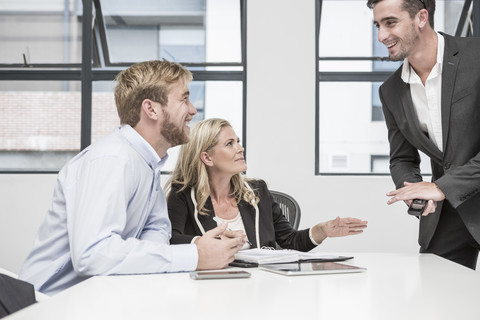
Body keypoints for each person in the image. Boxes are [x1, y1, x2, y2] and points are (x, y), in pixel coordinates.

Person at [18, 61, 245, 295]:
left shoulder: (146, 163)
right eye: (184, 99)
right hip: (47, 305)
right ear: (151, 109)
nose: (192, 110)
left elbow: (157, 229)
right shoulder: (112, 159)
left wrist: (197, 248)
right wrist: (195, 255)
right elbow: (92, 255)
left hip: (94, 297)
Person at [367, 0, 480, 269]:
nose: (382, 36)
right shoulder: (391, 90)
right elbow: (402, 158)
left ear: (421, 17)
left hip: (449, 191)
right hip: (448, 214)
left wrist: (442, 187)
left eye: (390, 23)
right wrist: (415, 192)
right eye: (378, 26)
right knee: (435, 301)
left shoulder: (476, 57)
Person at [166, 118, 367, 250]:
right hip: (210, 286)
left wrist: (322, 231)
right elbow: (170, 241)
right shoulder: (182, 194)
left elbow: (289, 240)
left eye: (238, 141)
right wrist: (205, 244)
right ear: (207, 158)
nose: (240, 148)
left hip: (260, 285)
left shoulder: (257, 190)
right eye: (230, 144)